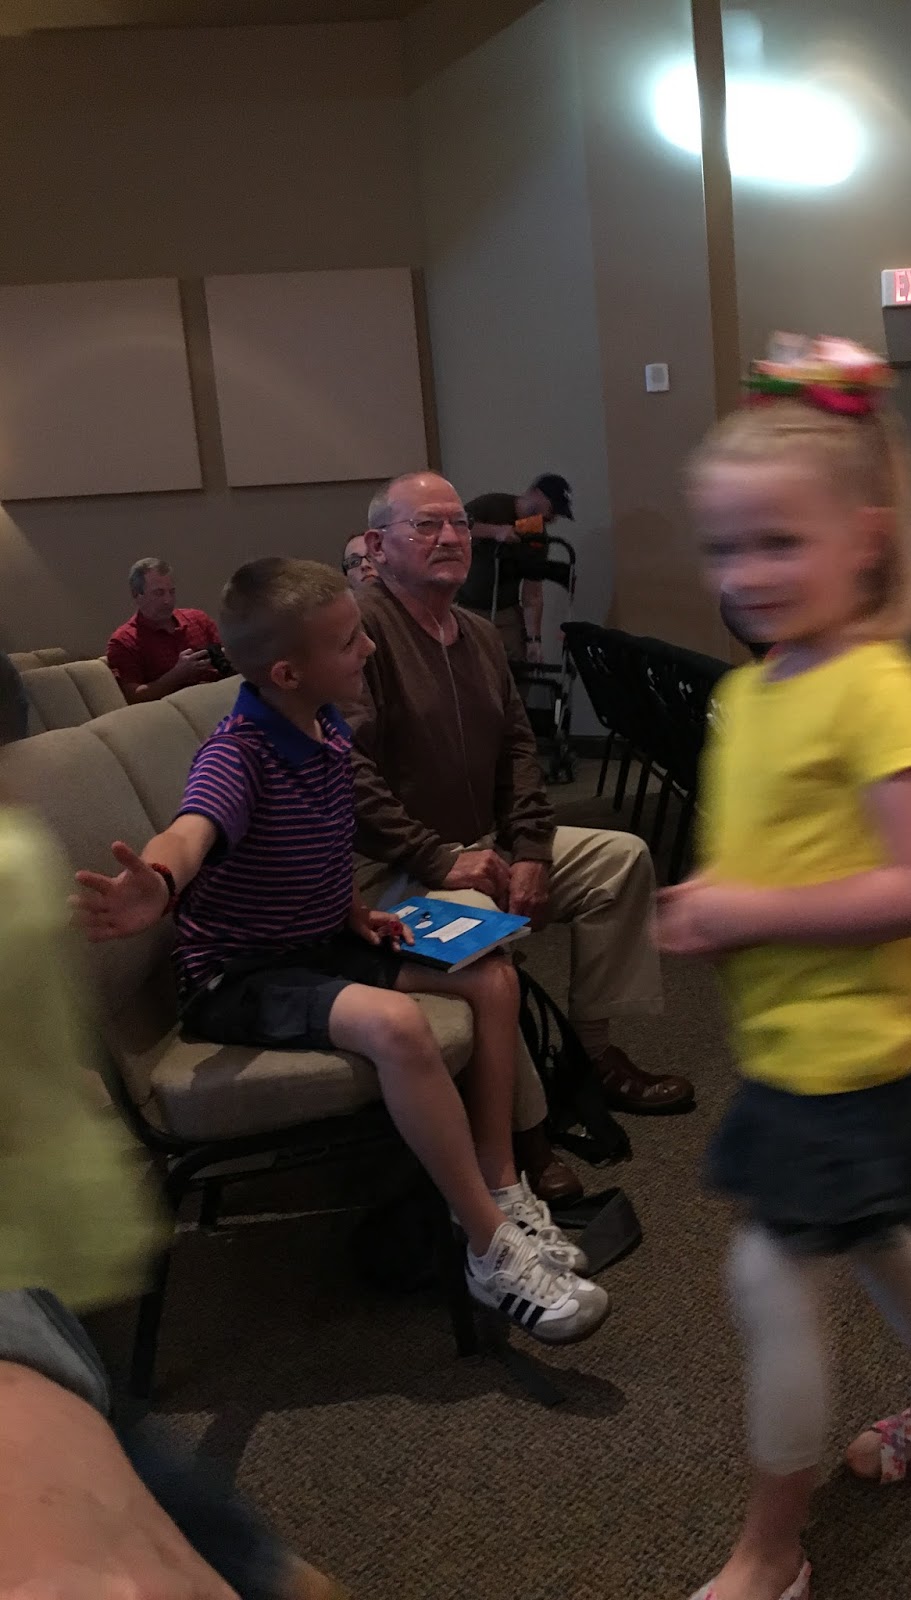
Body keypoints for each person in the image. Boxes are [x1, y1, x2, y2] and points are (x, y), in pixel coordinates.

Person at [661, 336, 911, 1600]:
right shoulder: (761, 690)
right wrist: (720, 894)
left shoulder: (879, 690)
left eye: (777, 542)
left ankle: (772, 1549)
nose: (746, 573)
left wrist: (751, 907)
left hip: (854, 1050)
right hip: (796, 1043)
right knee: (870, 1232)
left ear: (864, 540)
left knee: (770, 1275)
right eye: (725, 547)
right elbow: (784, 842)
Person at [76, 557, 608, 1347]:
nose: (369, 649)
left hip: (318, 942)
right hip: (241, 979)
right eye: (350, 640)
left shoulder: (323, 729)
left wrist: (352, 910)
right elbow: (193, 830)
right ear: (288, 672)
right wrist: (158, 880)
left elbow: (303, 852)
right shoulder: (237, 753)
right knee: (397, 1025)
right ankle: (487, 1246)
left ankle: (504, 1189)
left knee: (494, 979)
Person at [0, 790, 340, 1595]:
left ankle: (258, 1567)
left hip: (31, 1230)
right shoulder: (16, 843)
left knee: (102, 1432)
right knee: (113, 1428)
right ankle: (262, 1567)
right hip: (56, 1209)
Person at [355, 473, 695, 1134]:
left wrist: (533, 850)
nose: (450, 537)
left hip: (486, 845)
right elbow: (344, 770)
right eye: (426, 525)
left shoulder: (478, 634)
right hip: (393, 869)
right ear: (377, 545)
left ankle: (591, 1056)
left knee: (620, 860)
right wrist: (438, 858)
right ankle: (526, 1128)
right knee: (481, 923)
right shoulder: (360, 631)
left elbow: (517, 749)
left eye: (458, 523)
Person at [459, 472, 573, 663]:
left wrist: (534, 640)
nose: (551, 518)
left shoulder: (537, 535)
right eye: (552, 509)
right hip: (467, 608)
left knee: (516, 664)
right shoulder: (492, 504)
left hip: (506, 612)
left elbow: (532, 593)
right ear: (537, 494)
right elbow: (454, 527)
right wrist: (494, 531)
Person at [107, 557, 225, 704]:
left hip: (219, 697)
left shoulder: (198, 619)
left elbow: (228, 659)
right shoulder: (124, 641)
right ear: (136, 595)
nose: (168, 600)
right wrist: (176, 675)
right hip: (176, 708)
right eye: (159, 593)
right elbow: (133, 697)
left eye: (171, 592)